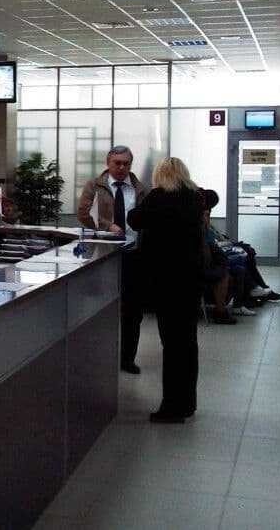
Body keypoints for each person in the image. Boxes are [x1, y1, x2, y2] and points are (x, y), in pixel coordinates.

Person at [127, 157, 204, 424]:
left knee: (171, 346)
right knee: (188, 343)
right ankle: (188, 403)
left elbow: (134, 220)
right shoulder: (195, 198)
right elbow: (212, 197)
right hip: (191, 280)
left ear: (160, 175)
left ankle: (171, 407)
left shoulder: (158, 197)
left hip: (166, 282)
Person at [77, 145, 148, 374]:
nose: (121, 167)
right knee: (100, 307)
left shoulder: (139, 188)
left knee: (132, 311)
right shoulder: (95, 185)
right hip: (104, 255)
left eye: (126, 163)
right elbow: (83, 214)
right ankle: (99, 356)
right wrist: (108, 226)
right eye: (117, 163)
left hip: (133, 255)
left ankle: (127, 359)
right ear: (108, 162)